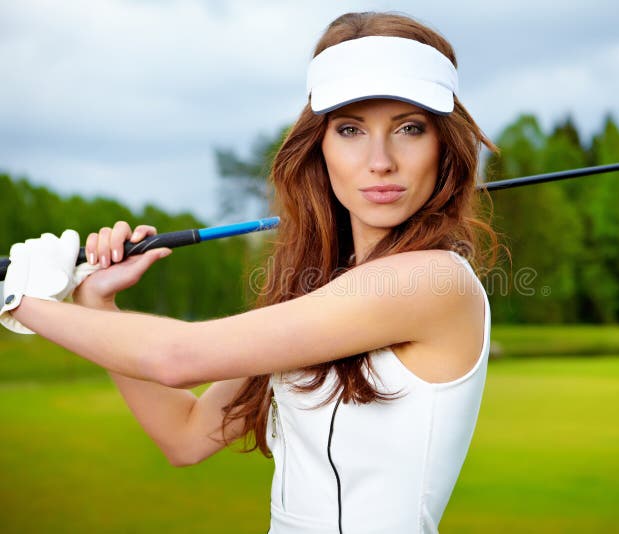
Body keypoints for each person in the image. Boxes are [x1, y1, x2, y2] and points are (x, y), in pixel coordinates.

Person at [0, 11, 498, 534]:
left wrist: (19, 297)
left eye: (409, 129)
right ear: (319, 148)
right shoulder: (319, 295)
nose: (380, 160)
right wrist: (96, 302)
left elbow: (176, 358)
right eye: (351, 129)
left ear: (443, 146)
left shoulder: (430, 282)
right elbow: (185, 436)